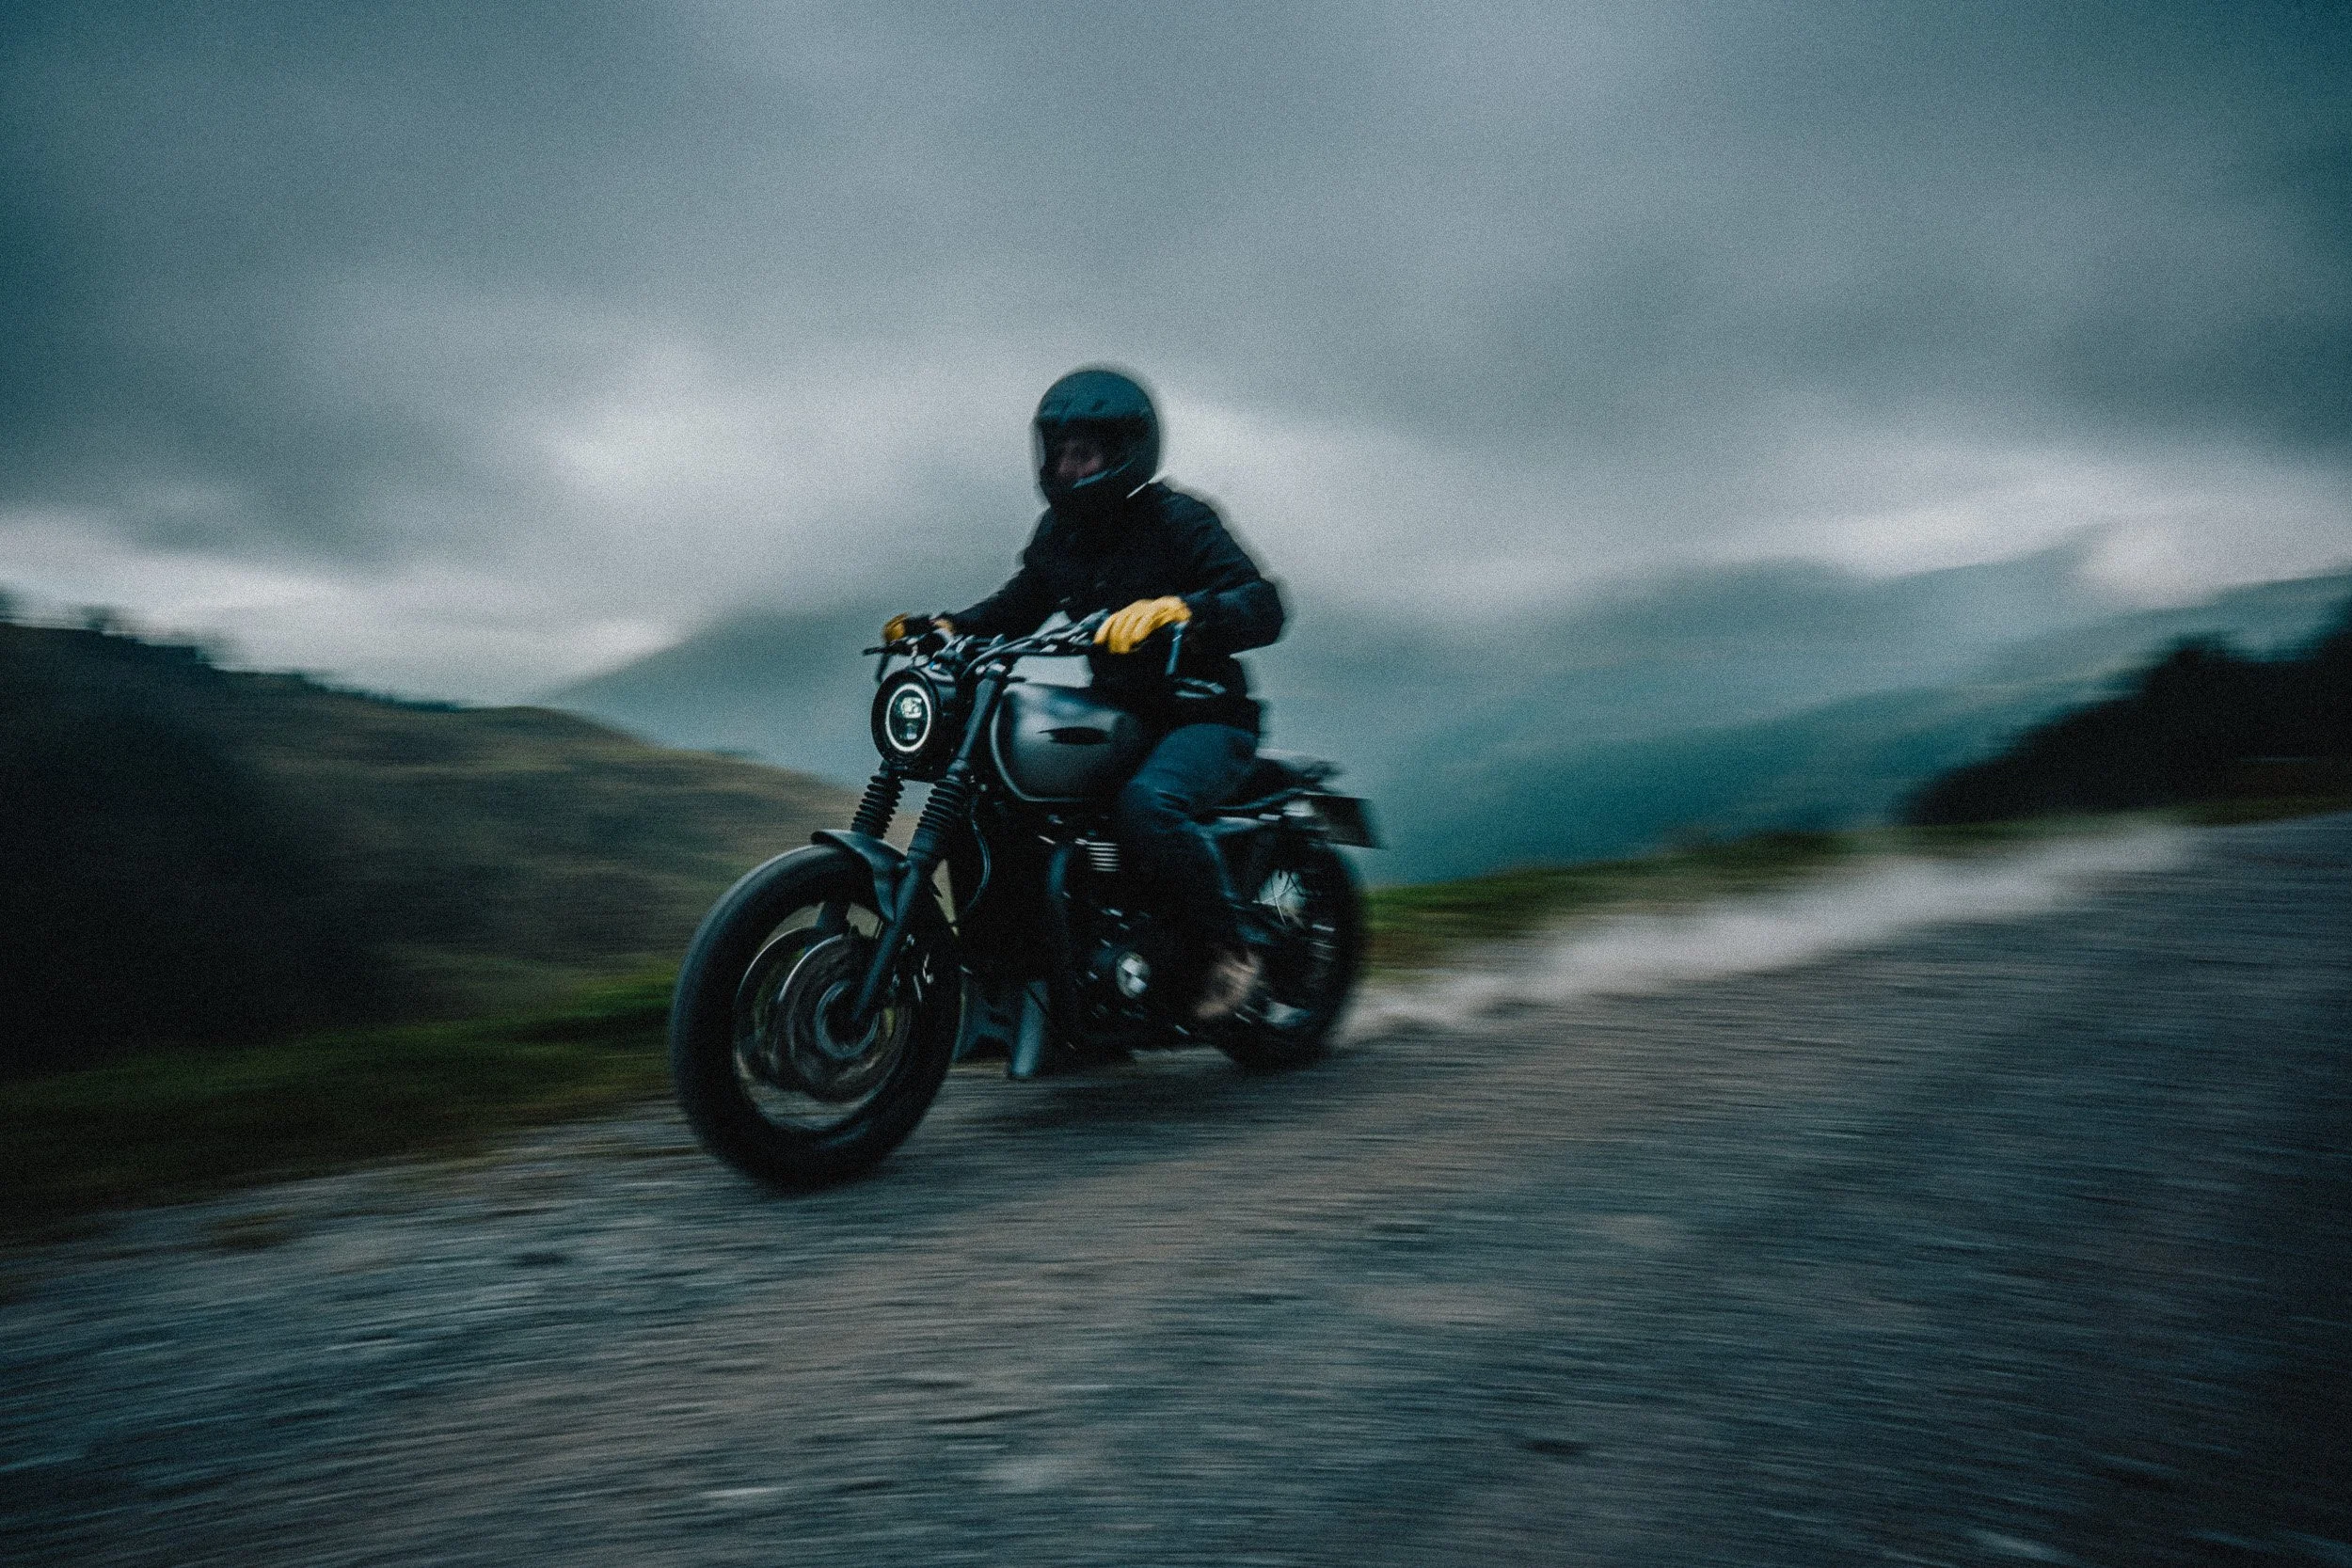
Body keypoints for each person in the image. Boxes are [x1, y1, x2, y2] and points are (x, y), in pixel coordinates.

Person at [882, 367, 1285, 1022]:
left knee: (1149, 806)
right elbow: (1019, 603)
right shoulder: (1059, 536)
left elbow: (1264, 605)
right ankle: (1028, 992)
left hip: (1205, 717)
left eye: (1085, 453)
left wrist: (1180, 609)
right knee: (998, 805)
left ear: (1126, 452)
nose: (1069, 468)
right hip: (1121, 718)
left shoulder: (1178, 518)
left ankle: (1227, 950)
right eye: (1061, 453)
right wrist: (950, 627)